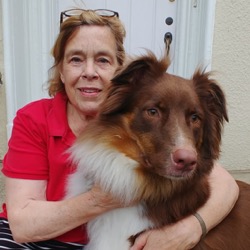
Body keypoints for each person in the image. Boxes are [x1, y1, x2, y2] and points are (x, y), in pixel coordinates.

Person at [0, 8, 239, 250]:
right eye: (76, 60)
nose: (90, 72)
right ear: (61, 70)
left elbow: (224, 184)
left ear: (119, 71)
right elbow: (23, 226)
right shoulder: (34, 119)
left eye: (103, 60)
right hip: (40, 238)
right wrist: (100, 200)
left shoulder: (130, 114)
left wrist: (190, 228)